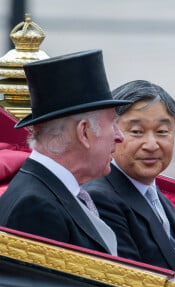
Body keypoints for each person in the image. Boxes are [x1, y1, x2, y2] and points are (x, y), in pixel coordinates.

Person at [0, 50, 132, 256]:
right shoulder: (37, 206)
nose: (119, 136)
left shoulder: (48, 189)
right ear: (84, 132)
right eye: (112, 123)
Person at [84, 80, 175, 273]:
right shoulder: (100, 198)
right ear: (110, 133)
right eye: (137, 132)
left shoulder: (150, 190)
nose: (151, 144)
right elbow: (130, 284)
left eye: (162, 132)